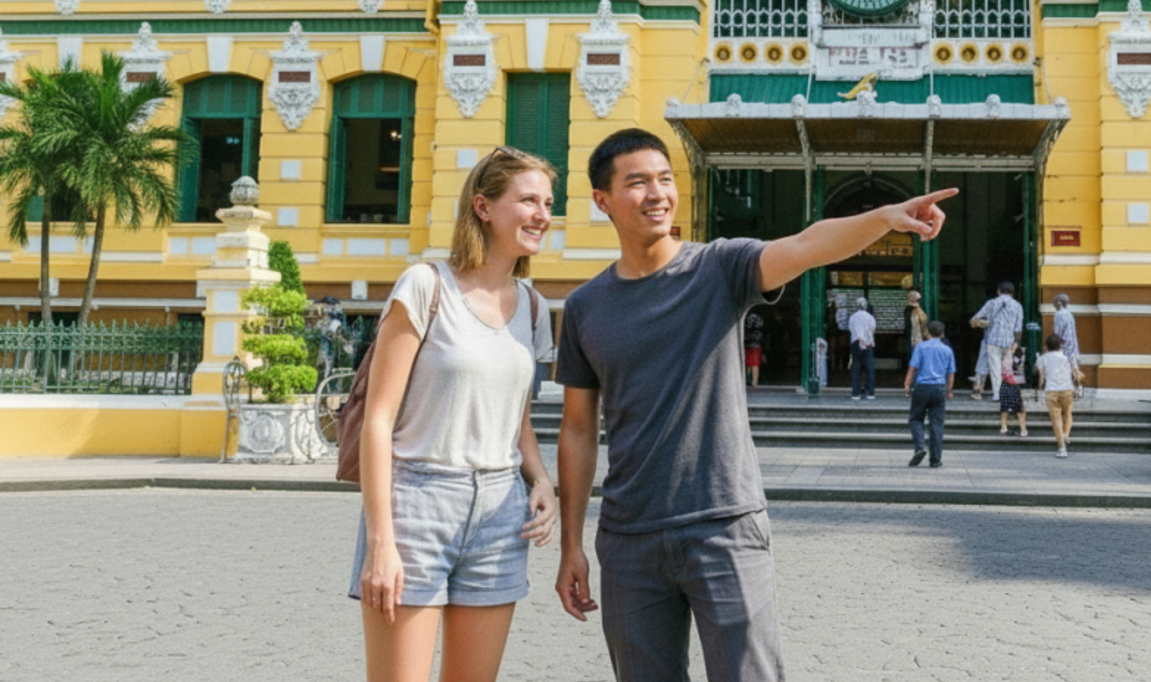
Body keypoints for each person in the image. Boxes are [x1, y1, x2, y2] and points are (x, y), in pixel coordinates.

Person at [553, 128, 956, 682]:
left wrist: (883, 217)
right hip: (628, 540)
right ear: (603, 200)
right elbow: (577, 429)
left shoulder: (720, 268)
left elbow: (808, 244)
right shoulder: (584, 307)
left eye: (665, 180)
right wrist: (570, 544)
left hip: (724, 526)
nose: (657, 193)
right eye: (638, 182)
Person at [352, 146, 559, 682]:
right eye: (528, 200)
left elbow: (517, 420)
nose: (543, 214)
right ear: (484, 207)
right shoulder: (425, 286)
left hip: (500, 512)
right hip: (417, 503)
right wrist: (381, 543)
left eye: (548, 202)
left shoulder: (533, 306)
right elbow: (378, 419)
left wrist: (540, 479)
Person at [903, 320, 955, 468]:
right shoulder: (947, 350)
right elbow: (951, 373)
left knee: (915, 418)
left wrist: (907, 384)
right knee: (936, 424)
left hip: (922, 387)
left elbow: (913, 368)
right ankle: (935, 459)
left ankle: (920, 447)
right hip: (939, 387)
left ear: (927, 333)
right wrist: (949, 391)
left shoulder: (921, 347)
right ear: (942, 334)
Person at [969, 282, 1023, 401]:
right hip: (1009, 341)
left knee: (995, 368)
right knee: (1007, 368)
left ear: (999, 291)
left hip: (992, 340)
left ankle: (997, 394)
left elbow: (974, 320)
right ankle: (1008, 393)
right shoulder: (1018, 306)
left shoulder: (991, 303)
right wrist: (1016, 343)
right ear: (1013, 293)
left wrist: (985, 323)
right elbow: (1018, 328)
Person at [1039, 332, 1076, 458]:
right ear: (1060, 345)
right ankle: (1065, 435)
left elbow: (1041, 377)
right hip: (1067, 389)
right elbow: (1074, 373)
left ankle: (1062, 448)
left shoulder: (1043, 358)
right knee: (1067, 413)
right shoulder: (1067, 357)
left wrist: (1039, 387)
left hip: (1051, 391)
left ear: (1047, 345)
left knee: (1056, 420)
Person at [1052, 293, 1085, 397]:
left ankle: (1069, 390)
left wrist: (1053, 346)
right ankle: (1078, 389)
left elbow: (1058, 332)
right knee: (1074, 368)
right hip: (1072, 347)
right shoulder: (1069, 314)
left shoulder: (1058, 314)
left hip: (1063, 347)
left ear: (1058, 303)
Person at [847, 297, 877, 401]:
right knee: (870, 369)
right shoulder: (870, 317)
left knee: (856, 369)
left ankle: (855, 393)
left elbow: (851, 329)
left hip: (855, 344)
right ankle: (870, 392)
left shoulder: (852, 317)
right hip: (868, 344)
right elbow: (872, 329)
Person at [999, 344, 1028, 437]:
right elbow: (1020, 366)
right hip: (1013, 385)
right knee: (1020, 409)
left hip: (1004, 385)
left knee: (1004, 408)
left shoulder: (1002, 359)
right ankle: (1023, 429)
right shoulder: (1012, 359)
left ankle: (1003, 426)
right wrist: (1023, 354)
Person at [743, 309, 764, 389]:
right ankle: (754, 381)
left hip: (749, 346)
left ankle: (751, 380)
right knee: (754, 364)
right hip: (755, 346)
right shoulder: (759, 331)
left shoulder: (747, 328)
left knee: (749, 364)